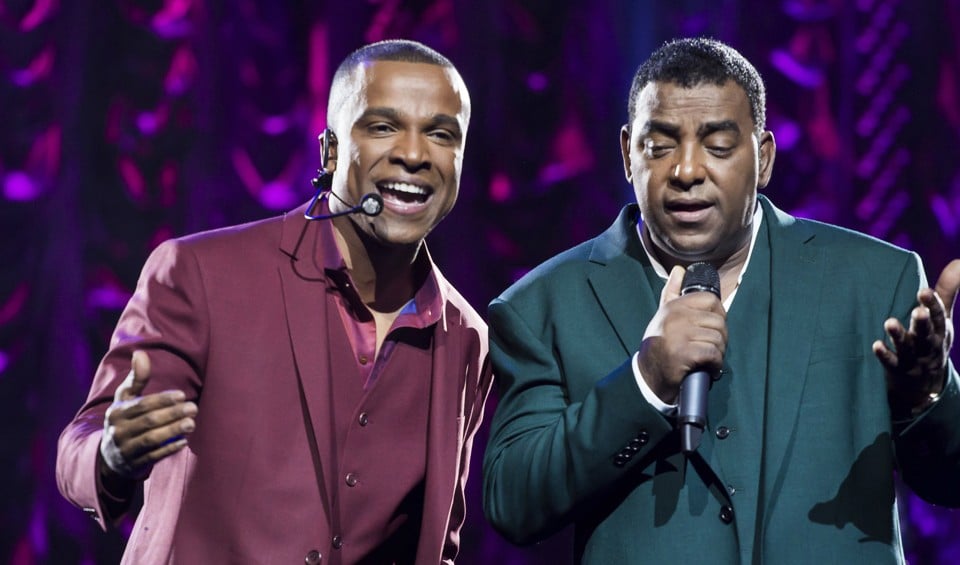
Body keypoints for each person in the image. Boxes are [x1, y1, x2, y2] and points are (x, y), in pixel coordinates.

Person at [482, 37, 960, 564]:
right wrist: (644, 383)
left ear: (764, 158)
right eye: (659, 145)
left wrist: (927, 398)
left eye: (718, 145)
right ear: (626, 155)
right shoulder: (543, 305)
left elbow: (950, 480)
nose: (687, 170)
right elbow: (514, 503)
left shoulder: (876, 281)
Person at [56, 39, 492, 565]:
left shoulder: (466, 337)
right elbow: (80, 443)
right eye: (382, 127)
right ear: (330, 152)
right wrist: (111, 455)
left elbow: (438, 540)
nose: (415, 155)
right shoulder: (201, 274)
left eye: (441, 134)